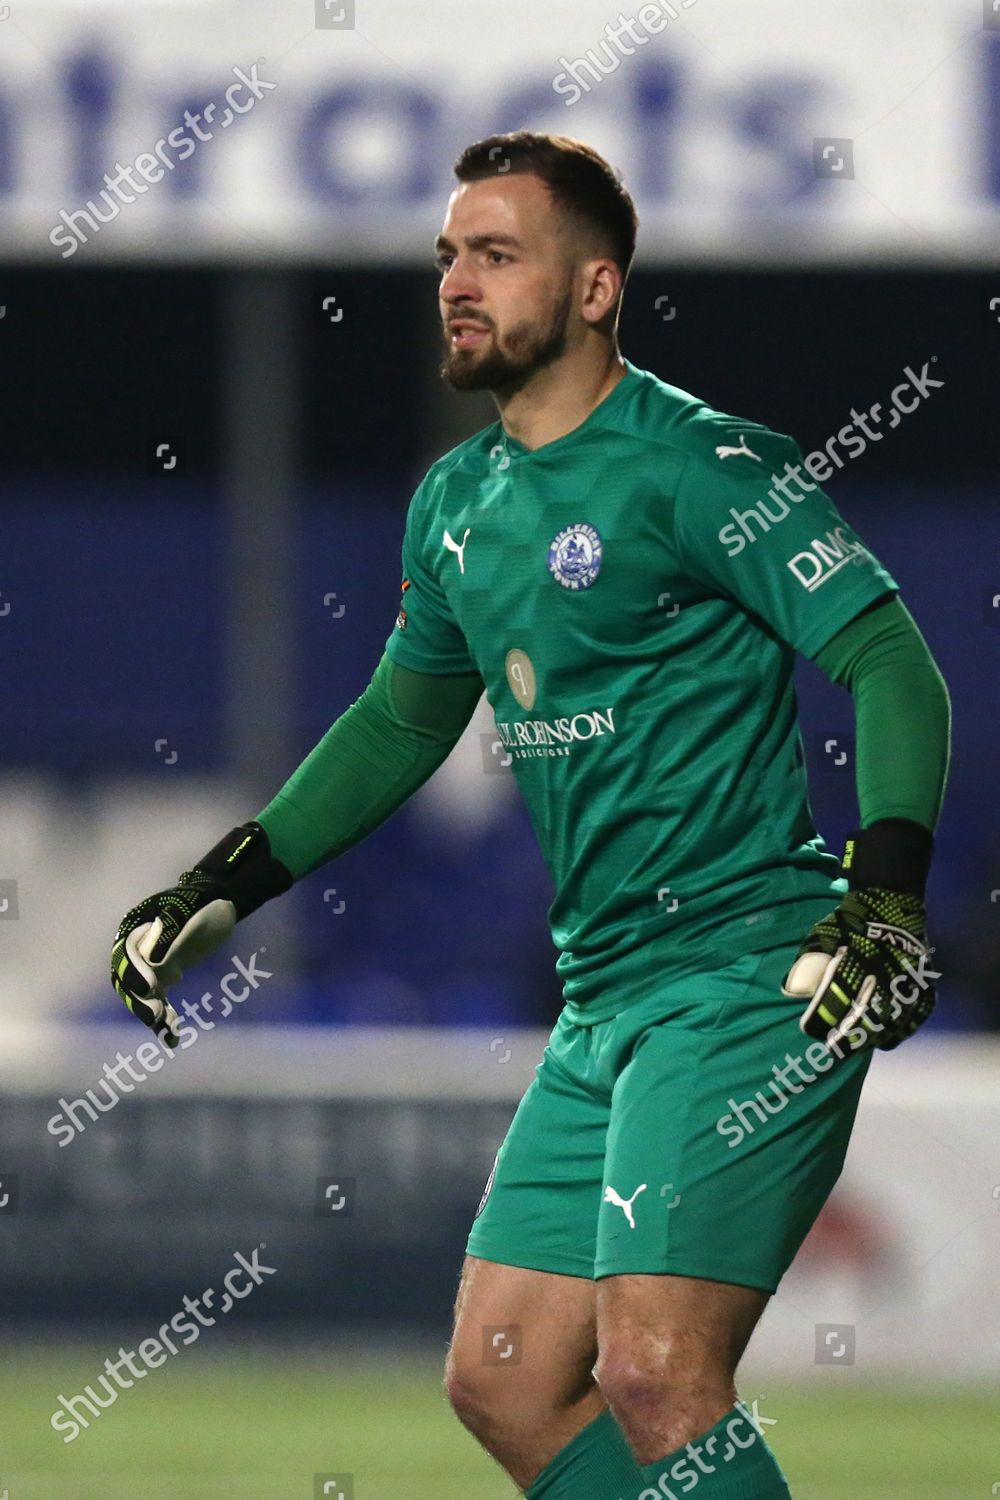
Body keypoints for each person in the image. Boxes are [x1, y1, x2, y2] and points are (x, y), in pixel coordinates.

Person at [112, 131, 951, 1499]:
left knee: (656, 1370)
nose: (457, 279)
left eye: (496, 255)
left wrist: (888, 892)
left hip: (740, 972)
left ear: (597, 289)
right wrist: (222, 882)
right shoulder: (458, 503)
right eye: (449, 254)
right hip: (603, 995)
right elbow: (400, 721)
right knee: (502, 1378)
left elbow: (890, 661)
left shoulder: (704, 463)